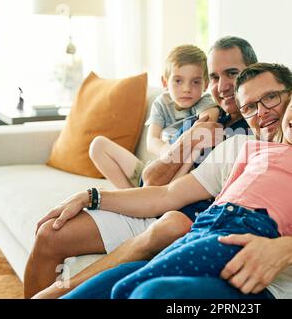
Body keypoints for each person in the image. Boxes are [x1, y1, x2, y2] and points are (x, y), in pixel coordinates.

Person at [40, 63, 292, 299]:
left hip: (261, 284)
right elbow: (164, 195)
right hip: (207, 235)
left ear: (290, 94)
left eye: (271, 98)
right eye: (250, 106)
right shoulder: (244, 147)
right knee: (95, 291)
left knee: (147, 293)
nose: (263, 111)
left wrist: (290, 247)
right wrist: (92, 195)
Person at [25, 36, 256, 299]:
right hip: (151, 207)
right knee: (49, 234)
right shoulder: (202, 116)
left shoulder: (262, 127)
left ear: (252, 71)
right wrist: (191, 136)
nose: (222, 86)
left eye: (232, 74)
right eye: (214, 77)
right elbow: (151, 182)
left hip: (185, 224)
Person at [88, 44, 219, 190]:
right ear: (165, 82)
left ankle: (140, 199)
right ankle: (130, 195)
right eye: (178, 81)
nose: (186, 89)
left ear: (205, 84)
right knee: (97, 145)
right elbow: (152, 141)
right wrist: (170, 153)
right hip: (153, 172)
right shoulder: (162, 103)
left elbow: (204, 133)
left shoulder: (205, 103)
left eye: (195, 82)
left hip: (179, 179)